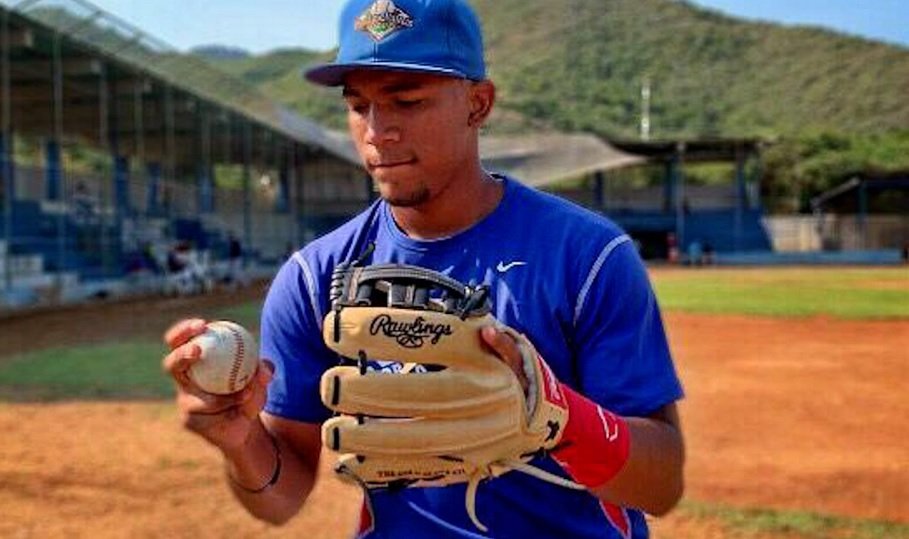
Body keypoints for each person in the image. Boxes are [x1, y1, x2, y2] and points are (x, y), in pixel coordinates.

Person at [162, 1, 685, 537]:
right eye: (359, 105)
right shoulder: (315, 276)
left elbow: (660, 484)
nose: (377, 130)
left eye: (406, 101)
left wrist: (555, 416)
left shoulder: (588, 256)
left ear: (478, 104)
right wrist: (241, 443)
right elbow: (281, 496)